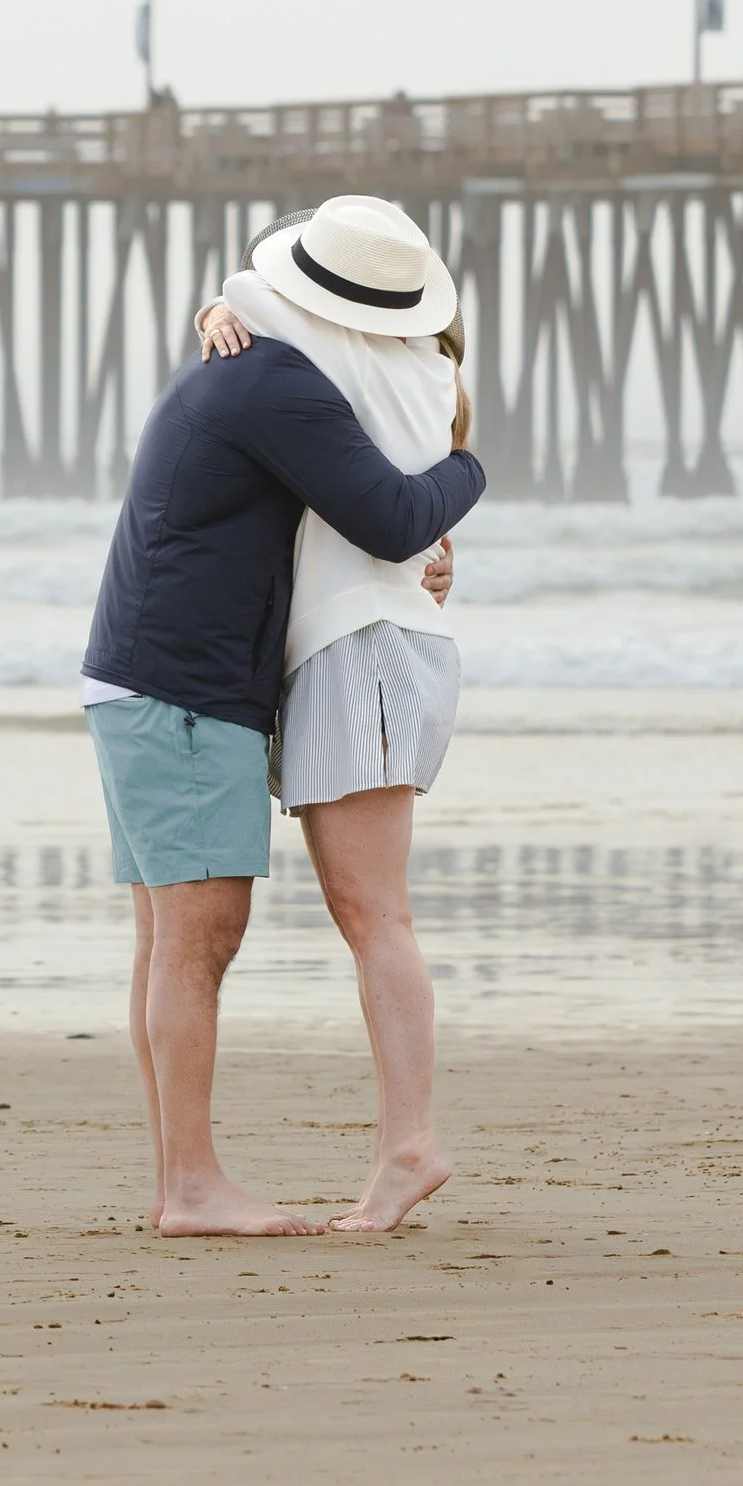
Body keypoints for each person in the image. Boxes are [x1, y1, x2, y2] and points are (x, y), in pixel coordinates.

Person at [82, 195, 485, 1237]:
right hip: (182, 681)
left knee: (175, 938)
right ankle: (191, 1183)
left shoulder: (268, 361)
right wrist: (471, 470)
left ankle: (188, 1177)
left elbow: (376, 519)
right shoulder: (279, 380)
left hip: (166, 675)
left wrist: (220, 300)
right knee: (195, 937)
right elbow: (393, 515)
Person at [190, 199, 471, 1233]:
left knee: (375, 915)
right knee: (374, 914)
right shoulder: (429, 373)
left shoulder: (302, 339)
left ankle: (409, 1146)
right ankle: (407, 1141)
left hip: (361, 651)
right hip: (396, 643)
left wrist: (212, 304)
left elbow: (239, 293)